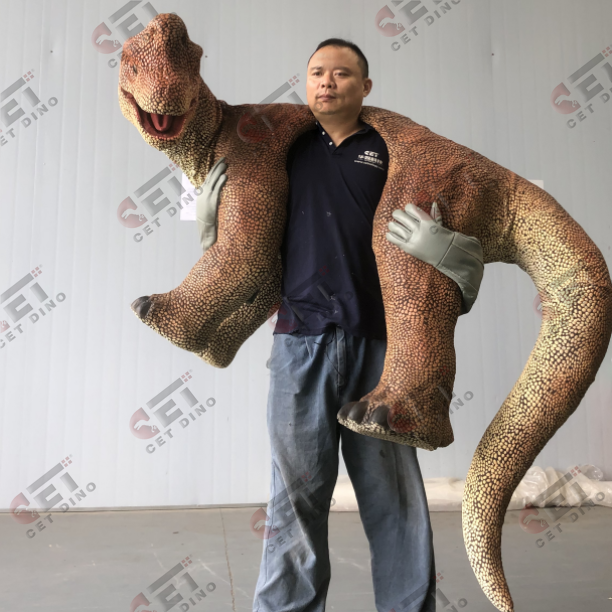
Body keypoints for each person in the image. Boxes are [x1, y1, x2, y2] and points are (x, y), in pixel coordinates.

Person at [196, 39, 483, 612]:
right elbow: (245, 252)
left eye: (342, 73)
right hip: (298, 344)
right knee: (294, 498)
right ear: (306, 82)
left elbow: (470, 264)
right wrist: (211, 226)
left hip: (383, 349)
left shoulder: (398, 154)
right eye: (317, 72)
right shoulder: (283, 152)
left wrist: (447, 247)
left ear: (365, 87)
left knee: (394, 499)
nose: (327, 82)